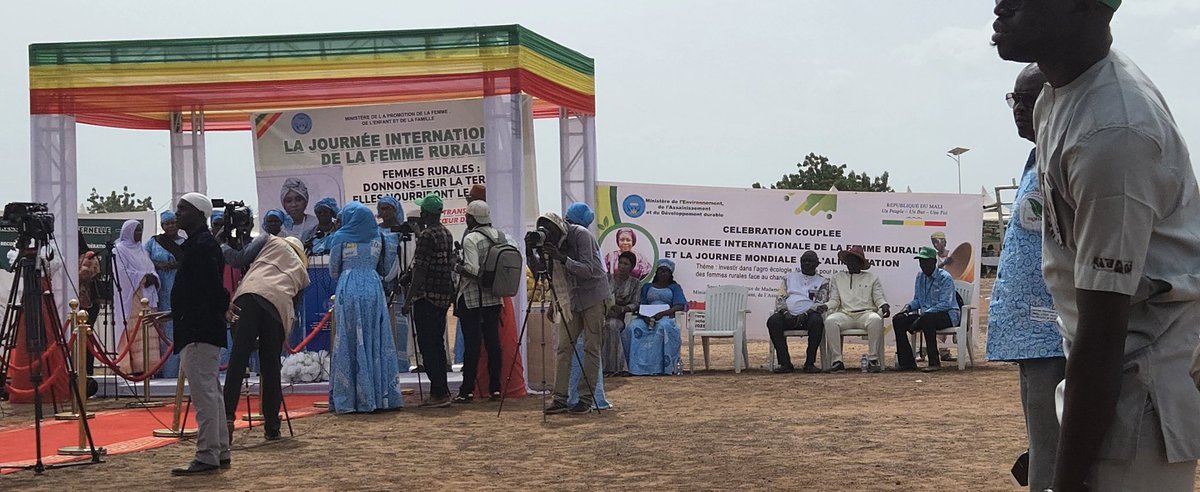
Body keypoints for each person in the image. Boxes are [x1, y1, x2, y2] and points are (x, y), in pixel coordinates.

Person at [994, 1, 1200, 489]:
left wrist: (1065, 480)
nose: (1000, 6)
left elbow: (1106, 330)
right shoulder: (1057, 96)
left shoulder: (1114, 132)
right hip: (1105, 379)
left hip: (1138, 401)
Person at [984, 62, 1065, 492]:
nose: (1018, 109)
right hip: (1030, 337)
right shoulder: (1036, 158)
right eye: (1014, 99)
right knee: (1042, 443)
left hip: (1054, 332)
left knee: (1052, 455)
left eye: (1028, 99)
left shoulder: (1063, 158)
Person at [221, 225, 310, 438]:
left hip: (249, 295)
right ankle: (272, 426)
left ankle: (226, 418)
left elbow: (238, 259)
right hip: (278, 308)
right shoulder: (302, 272)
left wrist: (222, 244)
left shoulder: (269, 240)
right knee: (270, 367)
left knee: (238, 360)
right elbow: (293, 305)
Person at [170, 193, 230, 475]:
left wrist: (188, 314)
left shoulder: (201, 246)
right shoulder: (201, 244)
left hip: (198, 328)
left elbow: (209, 290)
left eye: (183, 209)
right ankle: (220, 449)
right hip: (203, 325)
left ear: (199, 213)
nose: (177, 214)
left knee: (204, 394)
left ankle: (207, 453)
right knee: (212, 391)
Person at [526, 212, 610, 414]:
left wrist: (561, 257)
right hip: (571, 299)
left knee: (591, 347)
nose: (549, 237)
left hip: (594, 296)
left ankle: (586, 398)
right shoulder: (550, 243)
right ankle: (560, 398)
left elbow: (588, 270)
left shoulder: (580, 235)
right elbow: (541, 273)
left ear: (560, 228)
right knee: (563, 348)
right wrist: (531, 252)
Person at [328, 201, 404, 413]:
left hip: (349, 287)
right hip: (373, 287)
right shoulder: (379, 237)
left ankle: (351, 398)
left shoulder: (339, 238)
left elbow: (334, 270)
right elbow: (387, 268)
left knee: (349, 339)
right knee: (376, 338)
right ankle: (380, 396)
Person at [401, 193, 457, 408]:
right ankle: (440, 391)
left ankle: (439, 393)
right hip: (442, 296)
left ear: (425, 213)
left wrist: (408, 299)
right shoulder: (446, 233)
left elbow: (421, 270)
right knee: (437, 345)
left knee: (427, 347)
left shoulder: (426, 236)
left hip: (426, 297)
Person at [452, 200, 505, 402]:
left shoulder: (471, 239)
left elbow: (472, 270)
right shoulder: (501, 236)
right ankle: (496, 388)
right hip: (495, 297)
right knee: (493, 343)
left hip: (472, 298)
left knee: (472, 344)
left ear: (472, 218)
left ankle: (467, 390)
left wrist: (456, 267)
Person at [891, 247, 960, 373]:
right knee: (898, 320)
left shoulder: (945, 277)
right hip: (925, 316)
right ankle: (907, 363)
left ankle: (934, 362)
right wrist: (908, 307)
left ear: (934, 262)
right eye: (921, 262)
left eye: (926, 262)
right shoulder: (920, 277)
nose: (923, 265)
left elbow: (945, 303)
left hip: (948, 315)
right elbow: (918, 300)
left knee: (928, 319)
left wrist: (923, 315)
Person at [822, 245, 889, 373]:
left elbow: (878, 297)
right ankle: (837, 361)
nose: (851, 263)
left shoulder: (872, 278)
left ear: (861, 263)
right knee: (830, 321)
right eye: (849, 260)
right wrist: (826, 306)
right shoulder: (837, 278)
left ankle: (873, 359)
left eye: (855, 260)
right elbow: (835, 300)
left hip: (865, 313)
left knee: (875, 319)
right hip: (845, 314)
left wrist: (884, 305)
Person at [112, 219, 160, 375]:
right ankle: (131, 368)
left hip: (147, 296)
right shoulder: (119, 250)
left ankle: (147, 368)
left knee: (147, 330)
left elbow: (151, 268)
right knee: (134, 330)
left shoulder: (142, 250)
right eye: (136, 231)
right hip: (131, 297)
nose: (139, 234)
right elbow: (121, 273)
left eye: (140, 230)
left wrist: (153, 277)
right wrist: (144, 278)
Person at [767, 251, 828, 374]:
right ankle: (785, 363)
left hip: (808, 317)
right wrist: (785, 312)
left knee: (817, 321)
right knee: (773, 321)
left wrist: (806, 314)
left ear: (817, 264)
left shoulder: (822, 281)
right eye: (804, 261)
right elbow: (780, 298)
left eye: (810, 261)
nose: (807, 264)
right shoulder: (789, 277)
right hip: (788, 316)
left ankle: (810, 363)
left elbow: (821, 302)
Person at [622, 259, 686, 376]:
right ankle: (635, 368)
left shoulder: (675, 287)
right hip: (646, 316)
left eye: (666, 271)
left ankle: (660, 367)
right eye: (660, 271)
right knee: (632, 327)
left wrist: (663, 313)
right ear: (656, 272)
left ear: (670, 274)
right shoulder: (647, 287)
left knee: (663, 327)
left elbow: (679, 305)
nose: (663, 273)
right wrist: (645, 316)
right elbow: (641, 303)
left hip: (666, 316)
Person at [145, 211, 185, 378]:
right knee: (163, 332)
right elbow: (144, 261)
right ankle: (165, 373)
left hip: (180, 290)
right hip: (161, 293)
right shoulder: (154, 243)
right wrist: (158, 265)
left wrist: (177, 264)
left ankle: (179, 373)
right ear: (162, 226)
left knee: (179, 332)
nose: (171, 226)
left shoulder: (185, 243)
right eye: (167, 223)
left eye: (173, 223)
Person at [604, 251, 640, 376]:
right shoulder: (607, 278)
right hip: (602, 314)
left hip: (620, 317)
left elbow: (636, 303)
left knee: (612, 325)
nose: (622, 266)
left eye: (626, 264)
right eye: (621, 262)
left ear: (631, 267)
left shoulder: (635, 283)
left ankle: (616, 367)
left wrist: (623, 308)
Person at [77, 236, 101, 376]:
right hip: (70, 303)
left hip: (87, 304)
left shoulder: (89, 256)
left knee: (86, 339)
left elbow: (85, 275)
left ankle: (87, 374)